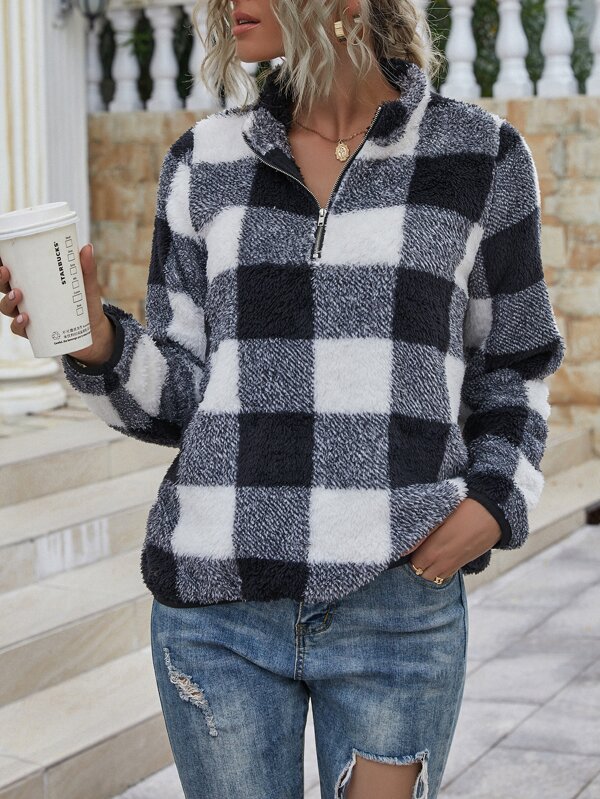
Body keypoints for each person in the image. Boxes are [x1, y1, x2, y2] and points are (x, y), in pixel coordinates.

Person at [0, 1, 565, 796]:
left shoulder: (479, 156)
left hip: (395, 604)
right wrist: (96, 340)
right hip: (218, 610)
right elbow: (183, 394)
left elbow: (515, 361)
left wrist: (496, 500)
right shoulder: (202, 161)